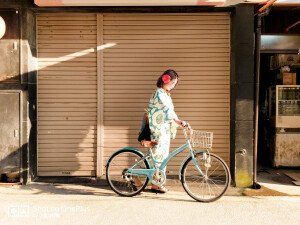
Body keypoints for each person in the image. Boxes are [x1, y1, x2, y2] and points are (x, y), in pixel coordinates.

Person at [147, 69, 185, 193]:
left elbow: (170, 112)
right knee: (157, 156)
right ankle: (142, 178)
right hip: (157, 130)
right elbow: (166, 111)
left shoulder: (166, 94)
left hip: (164, 130)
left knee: (162, 157)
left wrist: (178, 121)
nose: (174, 85)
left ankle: (156, 183)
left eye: (175, 83)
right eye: (173, 82)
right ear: (166, 80)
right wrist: (177, 121)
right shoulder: (159, 93)